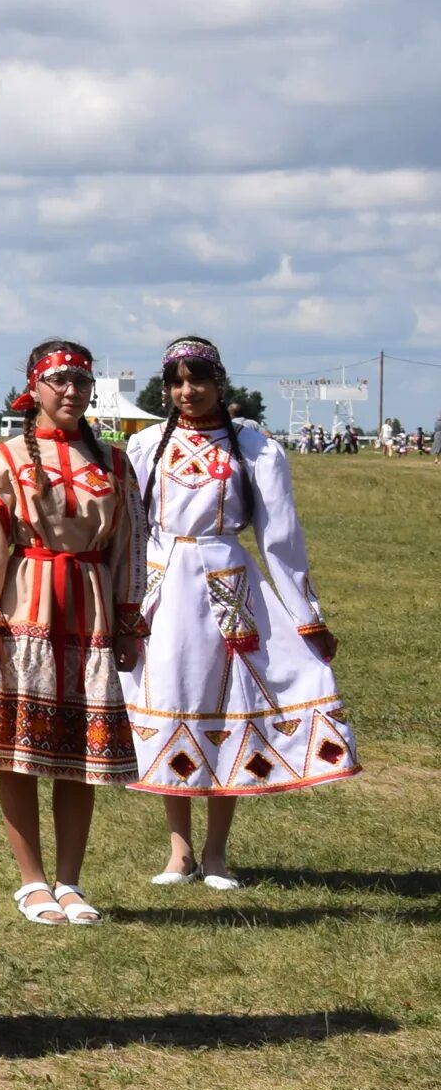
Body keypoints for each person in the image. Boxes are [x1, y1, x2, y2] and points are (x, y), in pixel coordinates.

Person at [123, 336, 358, 885]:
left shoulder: (253, 446)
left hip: (227, 585)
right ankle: (179, 851)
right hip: (164, 586)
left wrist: (307, 616)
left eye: (197, 380)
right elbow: (131, 529)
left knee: (229, 709)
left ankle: (216, 853)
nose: (188, 392)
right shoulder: (148, 444)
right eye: (177, 383)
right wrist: (126, 601)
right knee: (172, 704)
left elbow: (280, 536)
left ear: (219, 382)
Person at [0, 341, 144, 927]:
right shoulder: (6, 457)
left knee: (77, 756)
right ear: (34, 389)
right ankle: (31, 881)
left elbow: (129, 547)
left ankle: (71, 881)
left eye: (81, 383)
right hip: (25, 610)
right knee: (18, 751)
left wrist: (128, 620)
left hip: (88, 610)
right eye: (58, 381)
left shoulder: (114, 463)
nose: (71, 392)